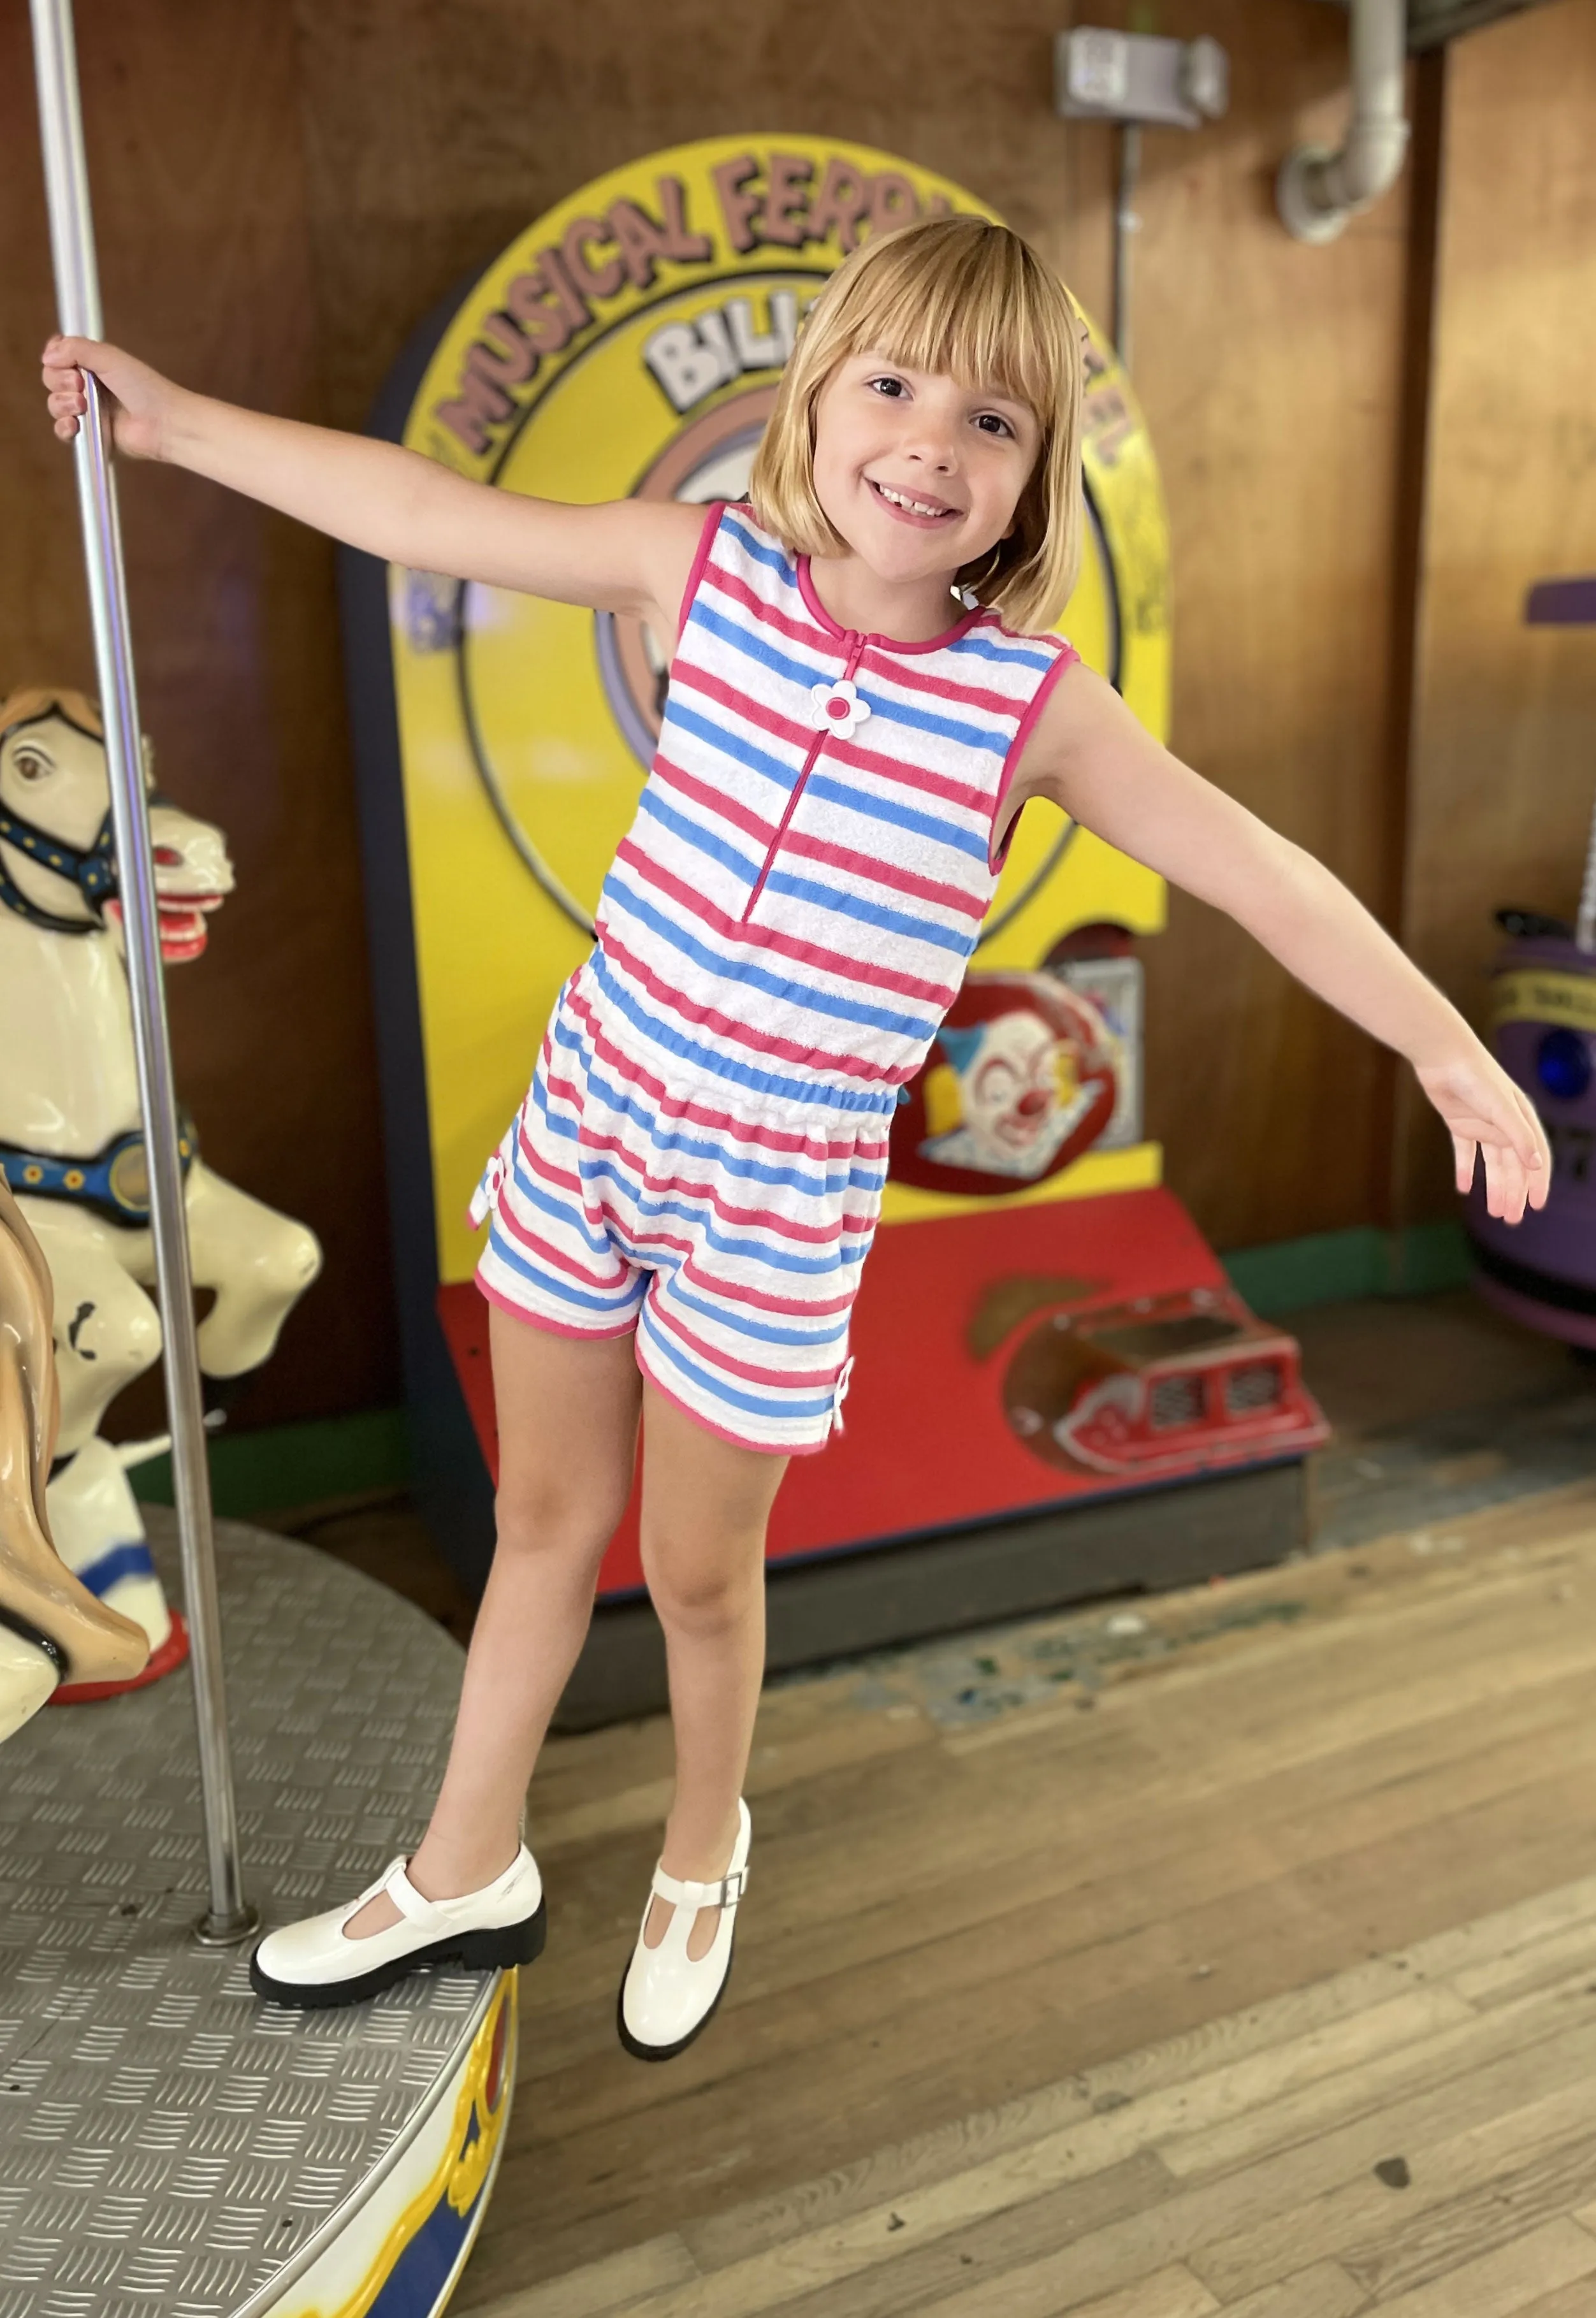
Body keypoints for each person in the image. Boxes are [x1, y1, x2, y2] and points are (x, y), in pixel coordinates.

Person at [41, 215, 1550, 2061]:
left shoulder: (1029, 703)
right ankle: (462, 1862)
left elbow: (1268, 877)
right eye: (894, 385)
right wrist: (177, 422)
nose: (930, 443)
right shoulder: (698, 572)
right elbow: (421, 511)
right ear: (817, 396)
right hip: (596, 1122)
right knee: (542, 1515)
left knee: (691, 1570)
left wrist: (1447, 1045)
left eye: (992, 421)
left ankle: (700, 1846)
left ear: (1033, 479)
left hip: (776, 1200)